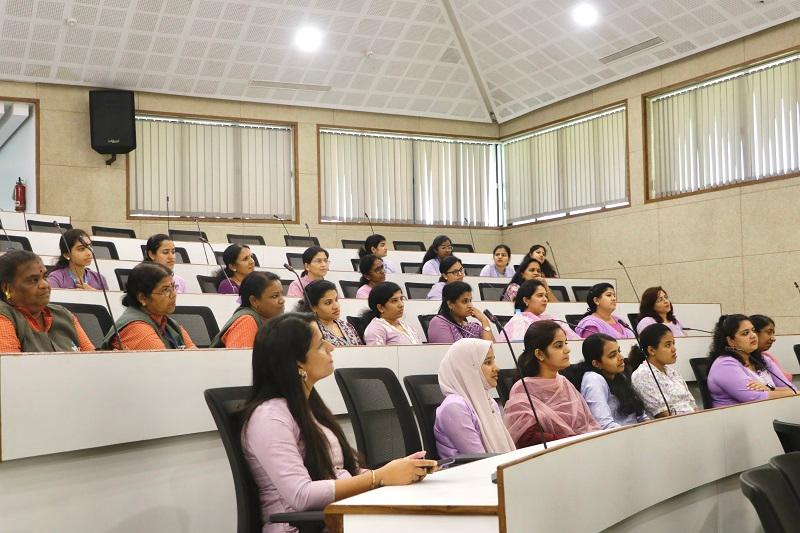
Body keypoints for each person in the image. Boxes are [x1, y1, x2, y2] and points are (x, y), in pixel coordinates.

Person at [241, 313, 437, 532]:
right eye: (319, 345)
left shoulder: (307, 406)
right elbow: (301, 496)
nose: (331, 347)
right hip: (301, 527)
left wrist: (400, 470)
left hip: (338, 518)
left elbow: (340, 471)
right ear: (298, 363)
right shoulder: (270, 418)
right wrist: (379, 477)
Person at [503, 320, 600, 447]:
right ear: (540, 354)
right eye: (559, 346)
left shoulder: (564, 382)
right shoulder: (523, 389)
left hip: (584, 447)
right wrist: (575, 440)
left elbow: (588, 423)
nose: (567, 350)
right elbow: (528, 439)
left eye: (566, 343)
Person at [434, 338, 516, 459]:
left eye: (493, 361)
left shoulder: (489, 402)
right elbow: (479, 458)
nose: (497, 368)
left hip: (494, 467)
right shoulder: (454, 407)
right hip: (469, 470)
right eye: (488, 362)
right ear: (468, 368)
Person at [0, 250, 94, 352]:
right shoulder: (3, 318)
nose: (45, 285)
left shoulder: (64, 314)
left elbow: (92, 357)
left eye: (45, 277)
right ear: (7, 288)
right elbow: (10, 361)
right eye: (34, 280)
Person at [706, 314, 796, 407]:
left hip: (767, 411)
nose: (753, 335)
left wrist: (769, 388)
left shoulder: (763, 359)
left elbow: (791, 388)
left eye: (753, 330)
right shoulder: (725, 365)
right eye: (745, 333)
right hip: (738, 415)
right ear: (731, 341)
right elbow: (756, 398)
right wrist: (793, 393)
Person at [102, 262, 196, 350]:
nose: (174, 294)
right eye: (165, 290)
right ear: (142, 298)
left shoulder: (168, 323)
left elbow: (195, 356)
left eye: (173, 287)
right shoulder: (137, 329)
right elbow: (165, 361)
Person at [577, 333, 647, 429]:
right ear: (596, 364)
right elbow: (605, 425)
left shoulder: (619, 375)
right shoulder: (593, 379)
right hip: (619, 435)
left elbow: (641, 416)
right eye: (612, 355)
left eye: (619, 351)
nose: (621, 358)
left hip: (636, 432)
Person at [629, 323, 698, 418]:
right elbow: (662, 415)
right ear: (651, 350)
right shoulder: (642, 375)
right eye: (668, 345)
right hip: (674, 424)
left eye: (673, 343)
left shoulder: (672, 372)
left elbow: (693, 406)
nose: (674, 349)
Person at [211, 272, 285, 348]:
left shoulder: (269, 321)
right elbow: (240, 355)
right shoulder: (246, 321)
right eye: (275, 296)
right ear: (254, 301)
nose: (282, 300)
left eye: (281, 294)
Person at [502, 279, 579, 341]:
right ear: (526, 300)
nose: (545, 299)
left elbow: (576, 341)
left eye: (545, 296)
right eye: (540, 295)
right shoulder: (519, 322)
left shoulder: (552, 319)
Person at [295, 280, 362, 346]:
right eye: (328, 303)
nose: (336, 306)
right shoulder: (312, 330)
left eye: (336, 300)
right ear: (313, 307)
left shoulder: (346, 325)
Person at [426, 282, 493, 343]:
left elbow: (492, 349)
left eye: (470, 300)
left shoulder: (474, 327)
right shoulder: (439, 323)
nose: (470, 305)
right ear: (450, 304)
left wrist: (484, 321)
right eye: (465, 301)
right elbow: (448, 351)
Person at [750, 314, 793, 383]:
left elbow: (787, 384)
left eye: (773, 333)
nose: (773, 338)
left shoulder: (766, 358)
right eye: (769, 333)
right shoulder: (734, 363)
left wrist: (768, 388)